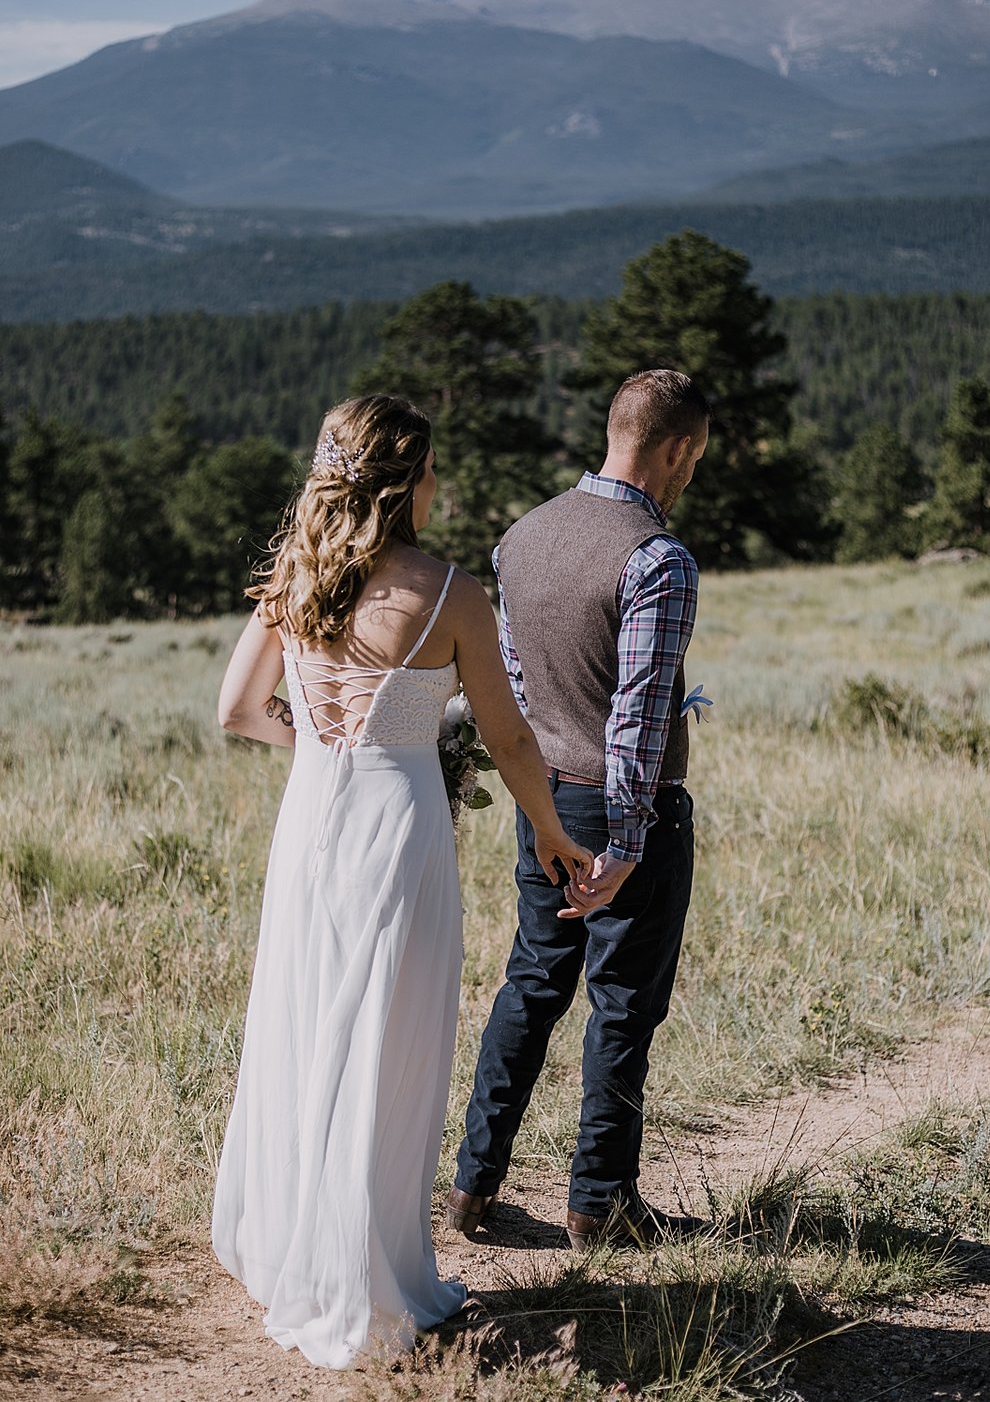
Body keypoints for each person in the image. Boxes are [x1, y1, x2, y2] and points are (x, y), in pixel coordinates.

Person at [211, 394, 592, 1369]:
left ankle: (305, 1253)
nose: (439, 482)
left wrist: (325, 749)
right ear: (407, 478)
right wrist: (548, 829)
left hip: (314, 826)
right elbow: (508, 735)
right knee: (389, 1040)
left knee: (312, 1027)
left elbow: (238, 710)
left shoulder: (296, 577)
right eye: (430, 466)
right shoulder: (452, 590)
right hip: (398, 830)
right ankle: (374, 1274)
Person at [447, 368, 710, 1251]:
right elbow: (637, 718)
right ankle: (599, 1204)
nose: (691, 475)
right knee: (624, 1004)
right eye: (695, 458)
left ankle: (472, 1187)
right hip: (621, 810)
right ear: (675, 447)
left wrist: (541, 798)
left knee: (531, 981)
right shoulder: (657, 558)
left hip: (543, 797)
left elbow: (513, 689)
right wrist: (631, 842)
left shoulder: (524, 536)